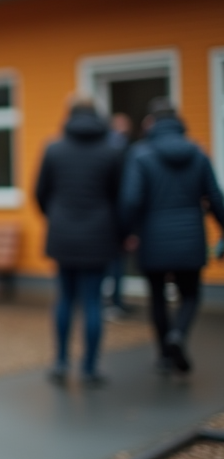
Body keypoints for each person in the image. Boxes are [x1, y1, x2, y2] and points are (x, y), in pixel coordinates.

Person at [120, 98, 224, 373]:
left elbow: (131, 199)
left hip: (153, 238)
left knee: (157, 297)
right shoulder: (198, 153)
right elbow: (215, 197)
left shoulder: (140, 154)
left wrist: (125, 233)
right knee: (190, 294)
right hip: (190, 237)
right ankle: (178, 334)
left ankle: (165, 355)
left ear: (150, 122)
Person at [34, 99, 123, 386]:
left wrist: (57, 217)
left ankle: (61, 362)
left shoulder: (54, 149)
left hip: (62, 235)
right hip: (98, 237)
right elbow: (119, 196)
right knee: (93, 302)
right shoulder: (112, 151)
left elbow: (39, 193)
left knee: (64, 299)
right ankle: (90, 367)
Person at [103, 112, 134, 318]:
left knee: (110, 261)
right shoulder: (124, 151)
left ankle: (112, 300)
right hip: (114, 217)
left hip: (103, 217)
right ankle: (116, 301)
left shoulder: (103, 148)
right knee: (116, 262)